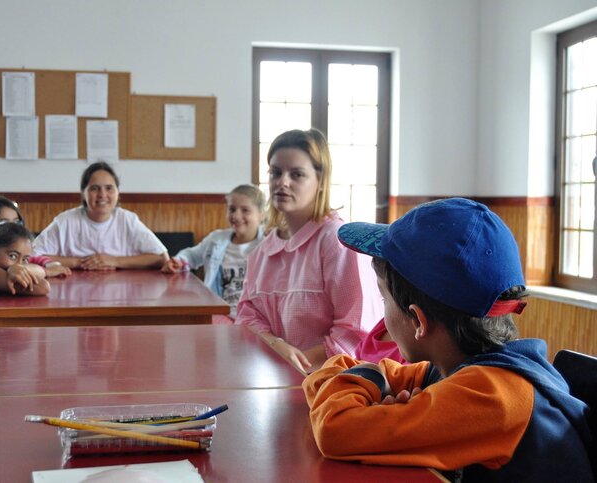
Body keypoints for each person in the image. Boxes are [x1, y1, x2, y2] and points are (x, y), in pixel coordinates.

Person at [303, 198, 593, 482]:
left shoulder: (490, 396)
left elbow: (334, 429)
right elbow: (345, 373)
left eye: (383, 300)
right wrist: (363, 382)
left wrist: (362, 390)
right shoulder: (451, 368)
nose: (383, 310)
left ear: (418, 321)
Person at [236, 129, 384, 375]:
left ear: (320, 181)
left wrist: (294, 364)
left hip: (332, 381)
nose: (282, 182)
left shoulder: (337, 242)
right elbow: (248, 316)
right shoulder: (264, 250)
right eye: (275, 173)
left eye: (297, 174)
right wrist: (276, 346)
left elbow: (354, 332)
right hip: (270, 376)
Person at [33, 162, 168, 270]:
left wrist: (114, 261)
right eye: (94, 188)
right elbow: (31, 256)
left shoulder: (128, 220)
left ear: (118, 192)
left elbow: (162, 257)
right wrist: (79, 262)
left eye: (109, 188)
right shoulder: (65, 221)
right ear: (83, 193)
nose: (102, 195)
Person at [161, 184, 266, 322]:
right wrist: (179, 261)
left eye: (245, 210)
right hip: (223, 313)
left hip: (257, 317)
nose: (236, 215)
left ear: (261, 215)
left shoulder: (269, 243)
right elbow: (192, 255)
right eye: (232, 209)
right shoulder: (216, 240)